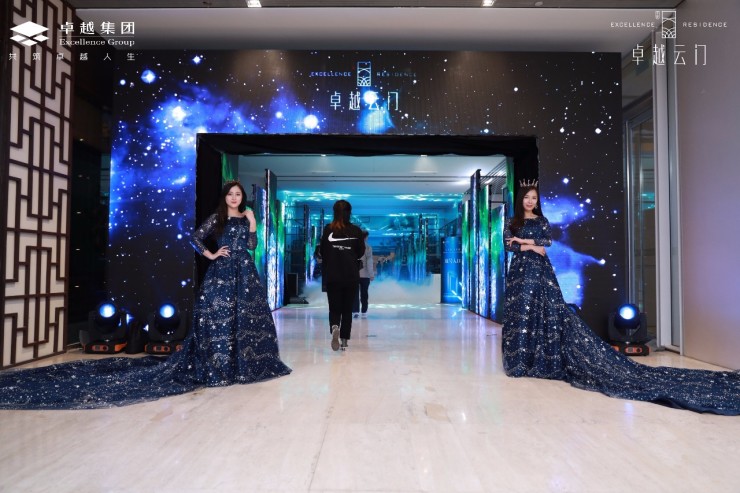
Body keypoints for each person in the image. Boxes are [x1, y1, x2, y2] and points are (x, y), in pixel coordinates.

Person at [0, 180, 291, 410]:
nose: (234, 198)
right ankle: (220, 367)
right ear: (225, 197)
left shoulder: (247, 217)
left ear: (242, 198)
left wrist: (253, 222)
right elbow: (194, 238)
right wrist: (212, 254)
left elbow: (252, 246)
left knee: (244, 319)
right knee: (219, 319)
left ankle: (243, 365)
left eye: (238, 195)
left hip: (245, 273)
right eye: (231, 194)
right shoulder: (218, 218)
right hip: (223, 273)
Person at [502, 182, 740, 415]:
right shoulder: (512, 222)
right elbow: (508, 246)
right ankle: (521, 360)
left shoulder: (542, 221)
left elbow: (546, 243)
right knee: (522, 313)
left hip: (541, 274)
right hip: (520, 275)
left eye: (534, 198)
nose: (530, 201)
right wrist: (529, 246)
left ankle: (541, 360)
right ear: (521, 199)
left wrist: (522, 241)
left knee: (546, 313)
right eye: (527, 197)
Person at [320, 200, 365, 351]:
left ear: (334, 212)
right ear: (349, 212)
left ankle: (335, 327)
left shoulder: (328, 230)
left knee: (334, 308)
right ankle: (344, 340)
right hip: (351, 275)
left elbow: (323, 252)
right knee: (347, 309)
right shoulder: (356, 231)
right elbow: (361, 252)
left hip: (333, 275)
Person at [353, 231, 374, 318]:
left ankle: (355, 311)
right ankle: (364, 310)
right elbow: (369, 262)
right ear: (365, 237)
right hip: (365, 275)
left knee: (355, 293)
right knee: (364, 293)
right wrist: (371, 274)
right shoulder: (368, 247)